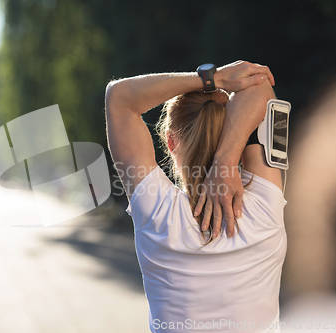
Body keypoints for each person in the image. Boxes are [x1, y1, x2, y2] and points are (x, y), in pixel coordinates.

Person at [105, 61, 287, 332]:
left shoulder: (155, 211)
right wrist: (226, 158)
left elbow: (118, 98)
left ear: (170, 141)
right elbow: (261, 85)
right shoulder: (265, 203)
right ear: (235, 129)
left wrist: (213, 78)